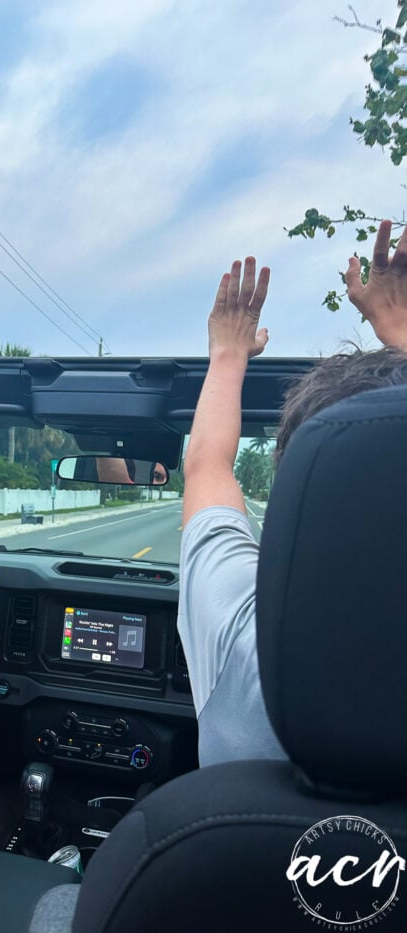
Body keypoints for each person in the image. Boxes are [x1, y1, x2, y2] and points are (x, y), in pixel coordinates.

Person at [178, 220, 407, 768]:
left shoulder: (242, 638)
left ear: (299, 486)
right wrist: (399, 330)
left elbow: (208, 465)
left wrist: (228, 354)